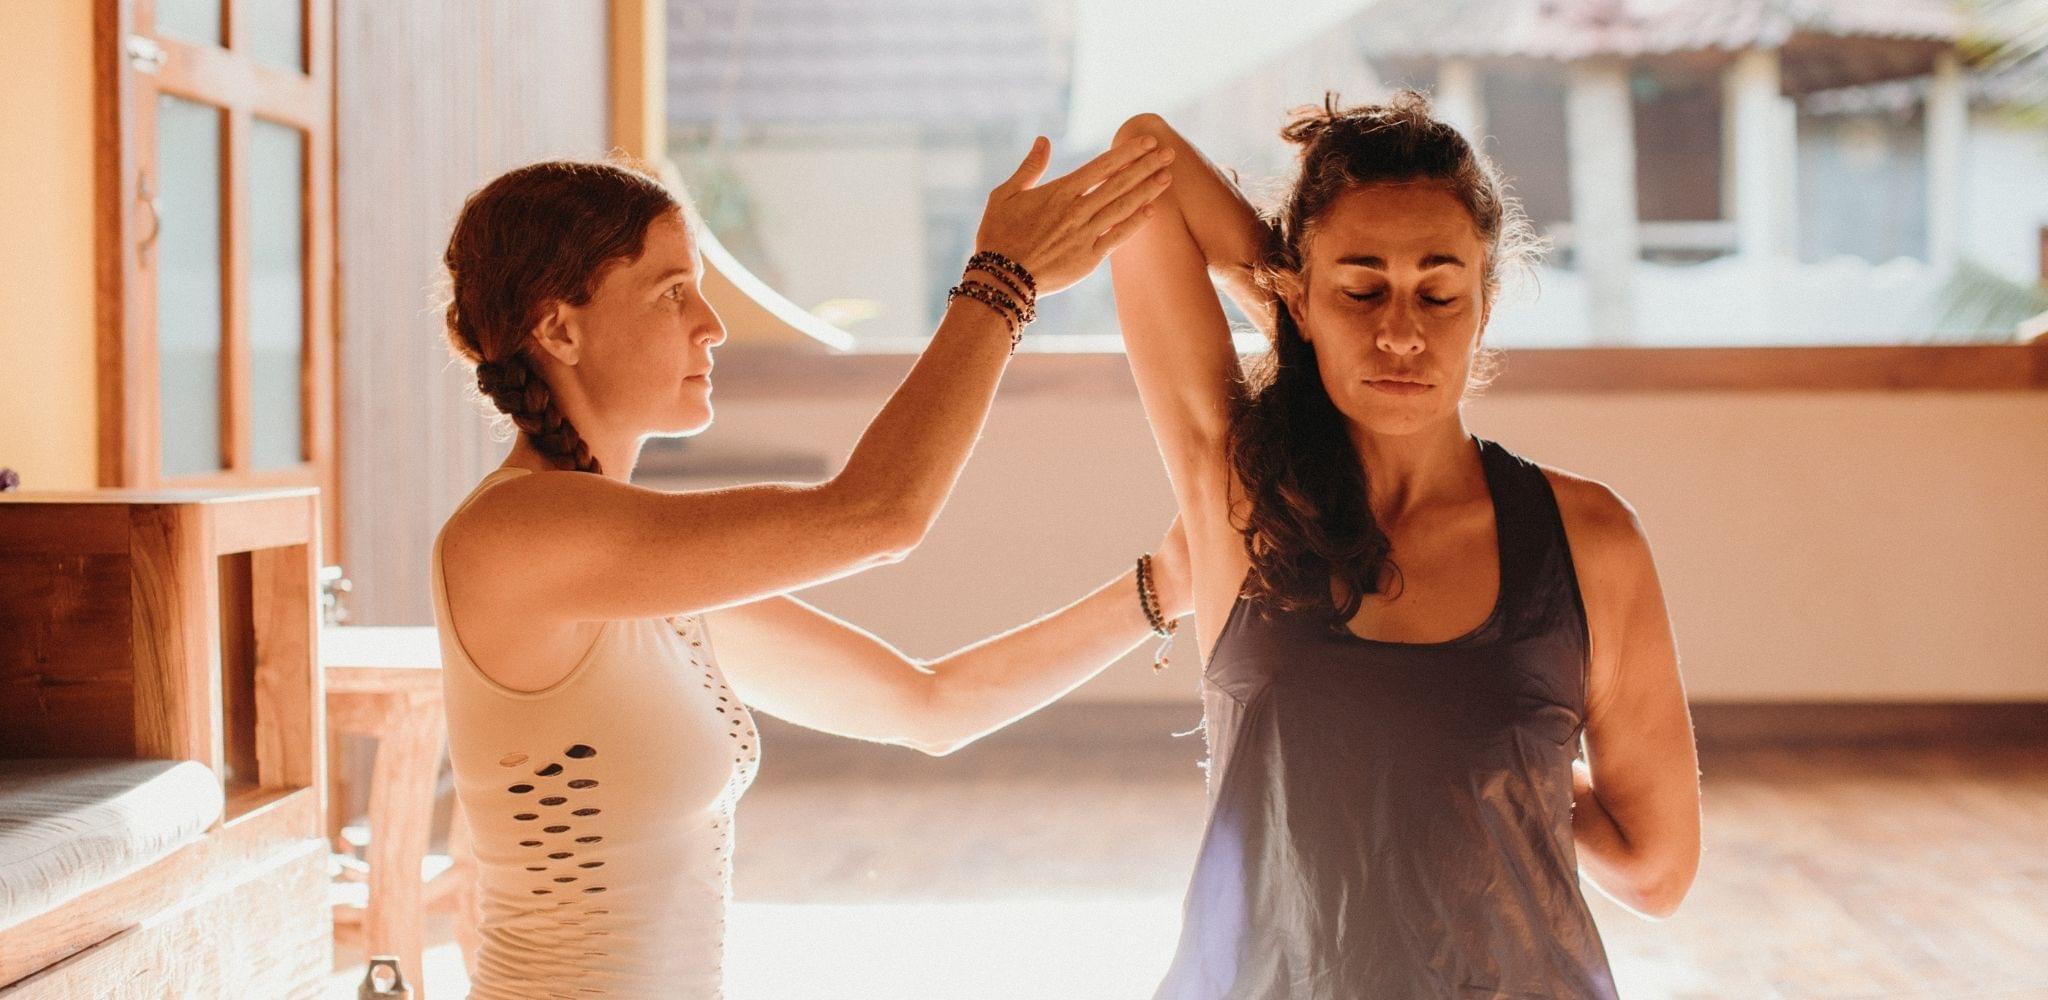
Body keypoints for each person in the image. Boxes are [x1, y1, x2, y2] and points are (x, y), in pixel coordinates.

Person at [430, 140, 1184, 999]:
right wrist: (1002, 282)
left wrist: (1162, 587)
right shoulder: (517, 534)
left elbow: (929, 705)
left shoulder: (649, 577)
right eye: (672, 292)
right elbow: (878, 514)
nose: (710, 324)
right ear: (560, 329)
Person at [1108, 92, 1703, 998]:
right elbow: (1145, 159)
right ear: (1297, 297)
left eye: (1439, 293)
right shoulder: (1240, 501)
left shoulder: (1591, 541)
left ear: (1484, 308)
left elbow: (1657, 870)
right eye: (1361, 290)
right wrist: (1309, 323)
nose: (1401, 332)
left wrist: (1334, 325)